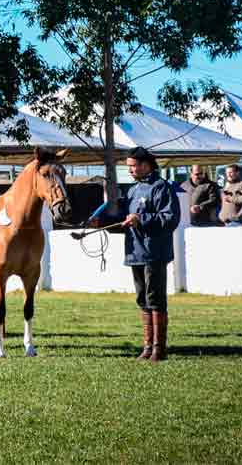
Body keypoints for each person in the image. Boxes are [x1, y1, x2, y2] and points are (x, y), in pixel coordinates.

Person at [82, 146, 179, 362]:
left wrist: (141, 219)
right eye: (129, 167)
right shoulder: (134, 191)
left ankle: (159, 348)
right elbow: (124, 221)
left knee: (155, 299)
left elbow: (170, 219)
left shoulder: (162, 188)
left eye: (134, 166)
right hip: (135, 252)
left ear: (146, 165)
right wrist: (103, 223)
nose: (131, 170)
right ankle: (147, 346)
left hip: (155, 252)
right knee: (142, 299)